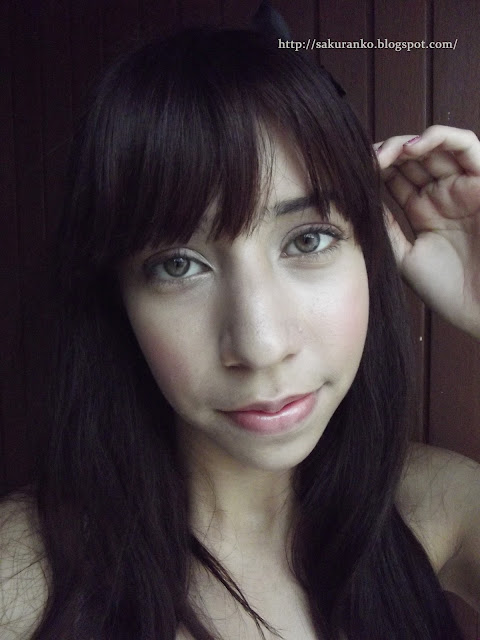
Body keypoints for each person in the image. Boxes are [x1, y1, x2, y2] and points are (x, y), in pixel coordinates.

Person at [0, 27, 479, 640]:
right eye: (178, 265)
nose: (260, 345)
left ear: (370, 252)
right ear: (117, 299)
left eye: (308, 239)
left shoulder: (439, 506)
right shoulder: (19, 581)